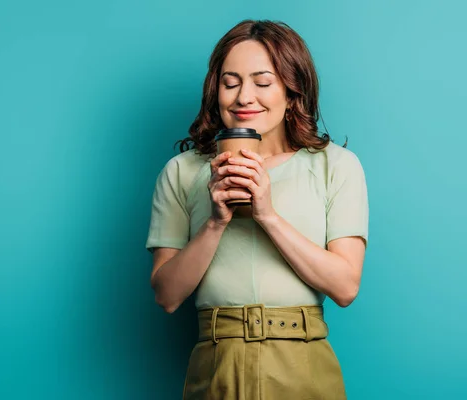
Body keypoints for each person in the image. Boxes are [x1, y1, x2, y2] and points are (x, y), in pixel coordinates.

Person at [145, 19, 368, 400]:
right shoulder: (182, 172)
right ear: (215, 91)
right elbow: (166, 296)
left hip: (304, 364)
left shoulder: (337, 165)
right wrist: (216, 222)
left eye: (262, 82)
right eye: (230, 83)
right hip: (216, 365)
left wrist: (267, 215)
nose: (244, 96)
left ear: (291, 91)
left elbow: (345, 287)